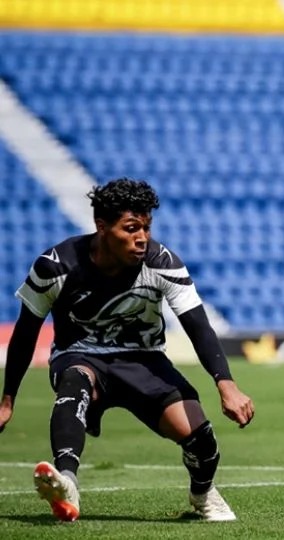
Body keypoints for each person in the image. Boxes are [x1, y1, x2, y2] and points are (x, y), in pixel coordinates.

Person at [0, 178, 255, 522]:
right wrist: (7, 401)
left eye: (147, 227)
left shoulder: (161, 263)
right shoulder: (55, 266)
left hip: (143, 360)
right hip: (81, 355)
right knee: (75, 380)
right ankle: (67, 482)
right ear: (102, 227)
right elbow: (25, 333)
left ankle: (203, 494)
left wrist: (226, 384)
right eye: (132, 228)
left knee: (201, 439)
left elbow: (198, 326)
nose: (142, 237)